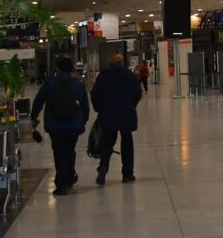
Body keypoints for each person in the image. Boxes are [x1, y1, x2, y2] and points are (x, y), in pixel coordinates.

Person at [30, 57, 90, 196]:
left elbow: (39, 101)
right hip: (73, 125)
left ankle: (62, 183)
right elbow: (85, 107)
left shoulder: (49, 84)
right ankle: (69, 177)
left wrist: (33, 116)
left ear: (57, 68)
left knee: (59, 152)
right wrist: (83, 121)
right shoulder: (78, 85)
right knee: (70, 150)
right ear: (72, 70)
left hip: (54, 125)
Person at [91, 53, 142, 186]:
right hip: (125, 113)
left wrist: (98, 108)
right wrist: (131, 105)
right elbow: (138, 93)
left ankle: (103, 167)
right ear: (122, 63)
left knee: (107, 142)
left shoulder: (103, 75)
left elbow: (94, 94)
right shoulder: (129, 75)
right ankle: (127, 174)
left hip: (108, 114)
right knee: (127, 143)